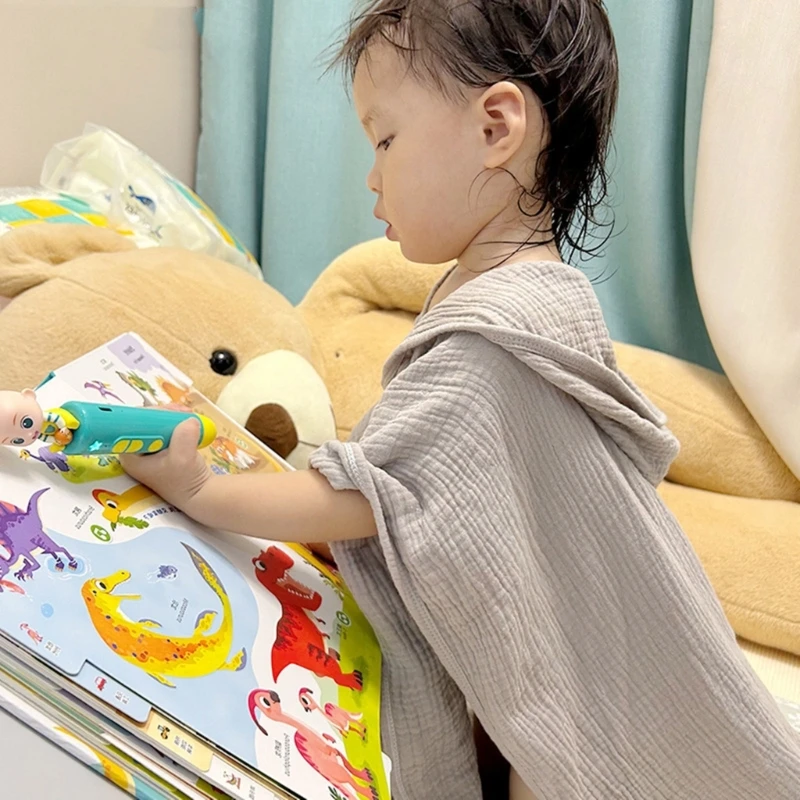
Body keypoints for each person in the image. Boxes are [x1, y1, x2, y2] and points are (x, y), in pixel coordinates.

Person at [120, 1, 800, 797]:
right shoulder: (537, 294)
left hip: (605, 704)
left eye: (385, 140)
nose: (372, 176)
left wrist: (203, 490)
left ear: (495, 128)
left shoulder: (489, 342)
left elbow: (364, 498)